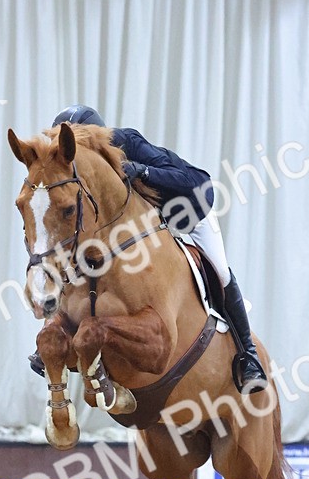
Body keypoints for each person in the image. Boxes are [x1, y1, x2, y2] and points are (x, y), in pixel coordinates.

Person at [50, 105, 268, 393]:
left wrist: (144, 170)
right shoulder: (86, 176)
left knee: (221, 273)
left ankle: (248, 357)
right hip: (150, 227)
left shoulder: (127, 143)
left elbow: (195, 180)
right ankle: (57, 334)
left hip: (190, 215)